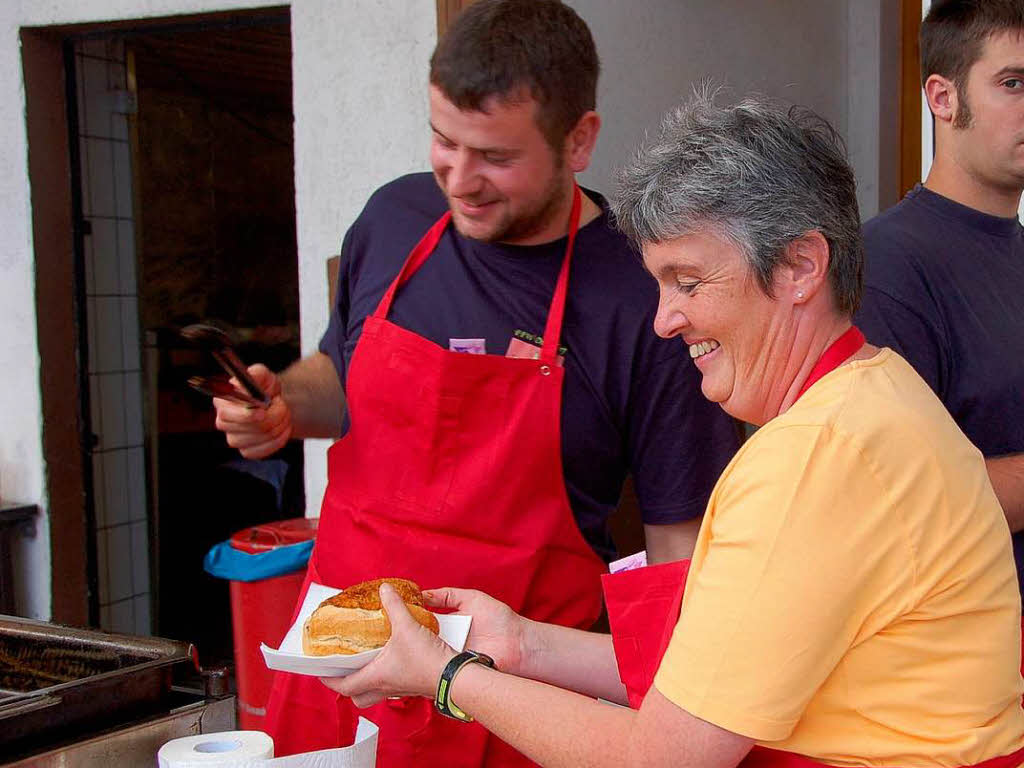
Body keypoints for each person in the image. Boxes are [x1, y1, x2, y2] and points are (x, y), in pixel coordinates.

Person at [325, 92, 1024, 767]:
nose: (663, 320)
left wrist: (450, 677)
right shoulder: (877, 394)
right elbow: (720, 665)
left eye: (687, 282)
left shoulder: (817, 454)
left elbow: (660, 756)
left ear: (800, 268)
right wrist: (521, 644)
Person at [213, 0, 739, 763]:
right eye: (442, 141)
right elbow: (341, 377)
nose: (460, 180)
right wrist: (284, 406)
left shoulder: (644, 296)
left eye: (493, 155)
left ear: (579, 139)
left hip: (506, 703)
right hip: (337, 675)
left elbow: (680, 552)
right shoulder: (393, 219)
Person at [854, 0, 1024, 593]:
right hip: (973, 651)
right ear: (943, 98)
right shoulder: (887, 265)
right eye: (1014, 83)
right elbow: (905, 502)